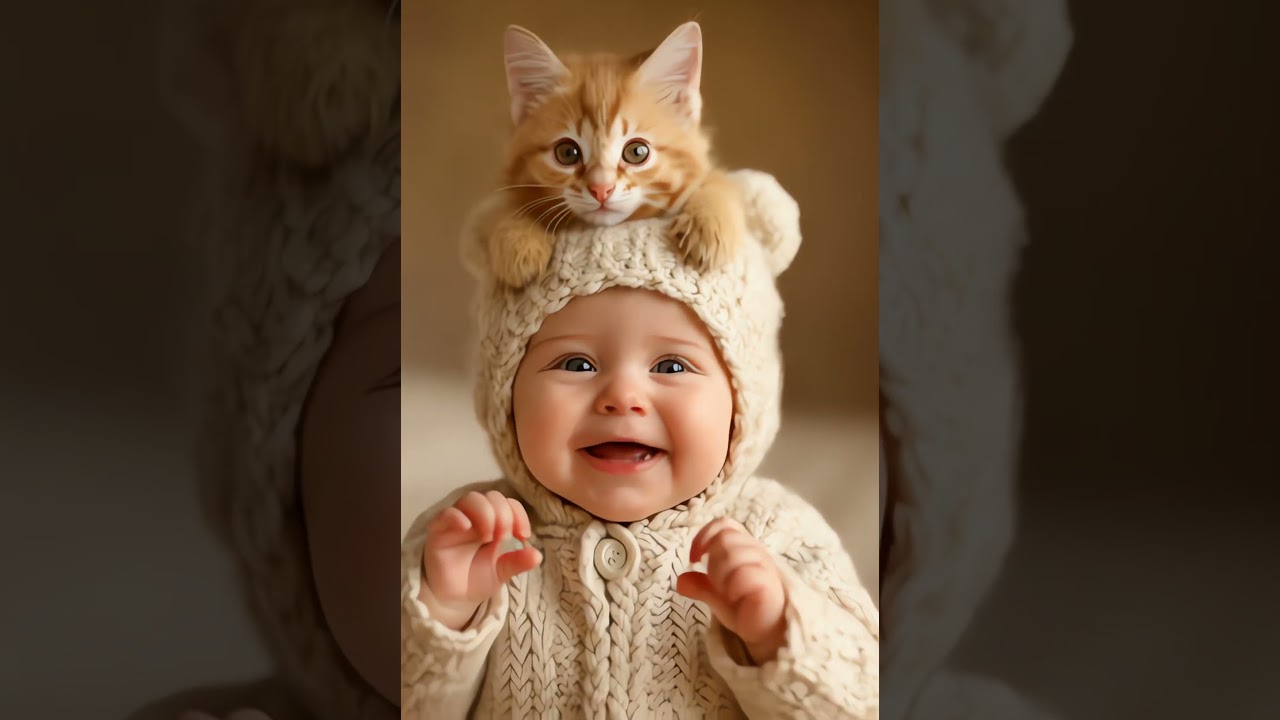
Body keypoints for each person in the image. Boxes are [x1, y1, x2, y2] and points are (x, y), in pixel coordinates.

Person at [401, 170, 880, 718]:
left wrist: (780, 633)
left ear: (743, 404)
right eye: (576, 363)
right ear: (505, 396)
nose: (623, 396)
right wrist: (443, 612)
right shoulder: (474, 539)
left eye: (672, 365)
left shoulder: (777, 535)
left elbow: (865, 700)